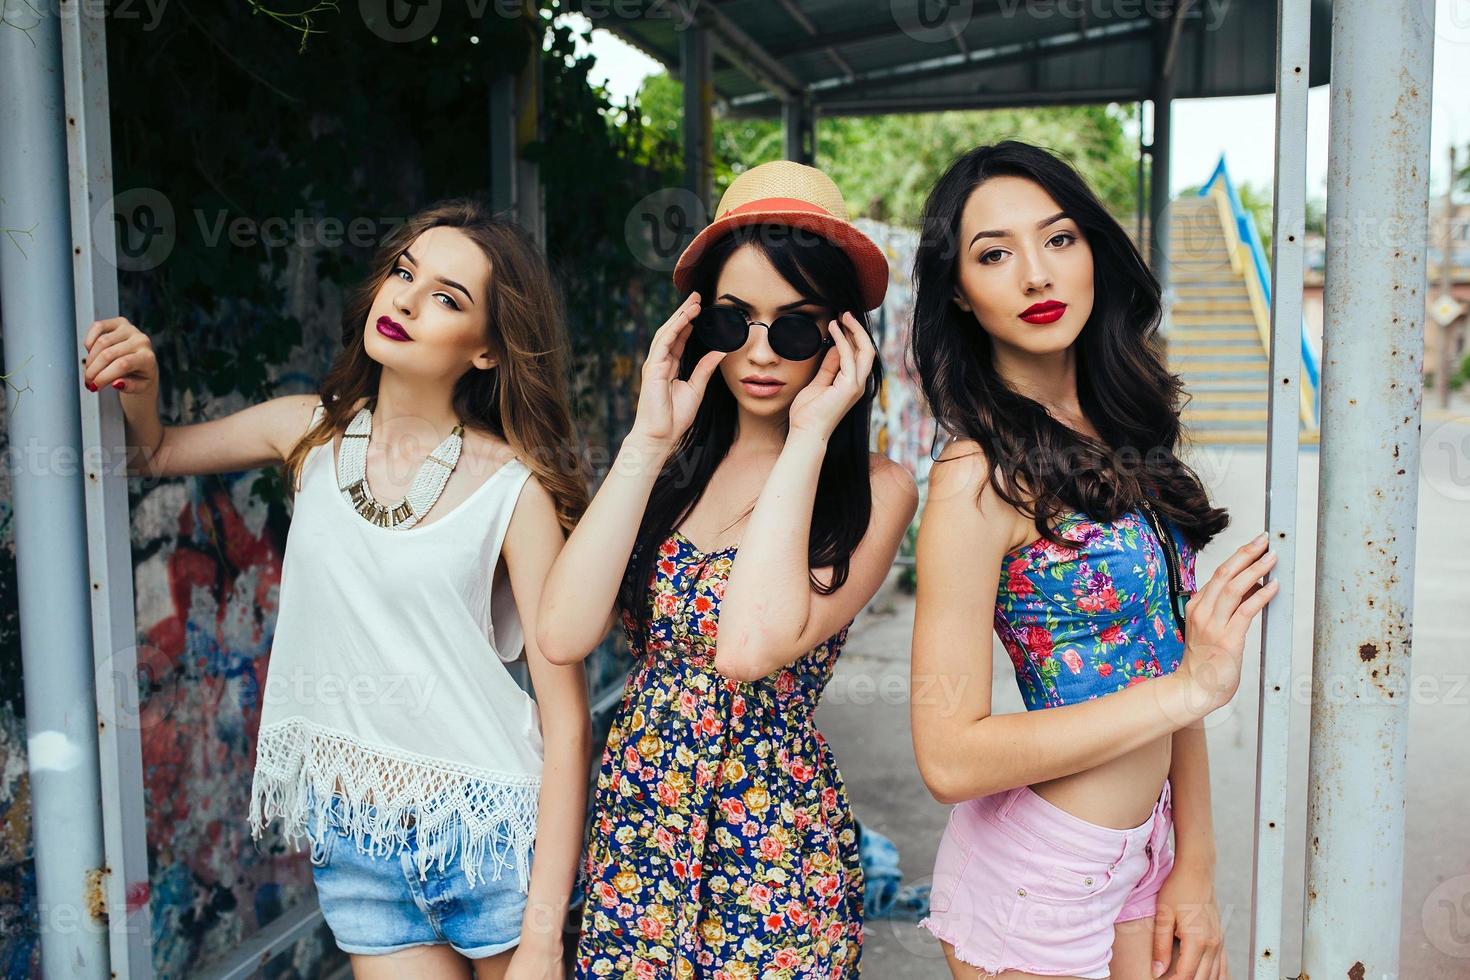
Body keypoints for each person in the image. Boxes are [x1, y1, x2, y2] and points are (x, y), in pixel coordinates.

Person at [82, 199, 592, 978]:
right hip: (359, 837)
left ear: (488, 350)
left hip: (492, 835)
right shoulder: (307, 431)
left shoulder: (512, 489)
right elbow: (149, 453)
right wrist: (140, 384)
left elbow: (565, 720)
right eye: (404, 273)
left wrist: (546, 936)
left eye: (447, 298)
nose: (407, 300)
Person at [536, 161, 918, 977]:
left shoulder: (874, 490)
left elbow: (747, 652)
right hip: (639, 832)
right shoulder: (669, 469)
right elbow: (563, 632)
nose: (759, 352)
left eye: (795, 328)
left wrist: (811, 435)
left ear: (843, 336)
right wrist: (645, 443)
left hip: (773, 848)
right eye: (733, 321)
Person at [907, 142, 1278, 980]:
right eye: (994, 254)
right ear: (960, 294)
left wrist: (1196, 867)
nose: (1035, 274)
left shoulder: (1119, 431)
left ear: (1094, 255)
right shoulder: (978, 475)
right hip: (1040, 877)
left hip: (1144, 853)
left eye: (1059, 239)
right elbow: (948, 757)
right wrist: (1193, 685)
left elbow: (1166, 660)